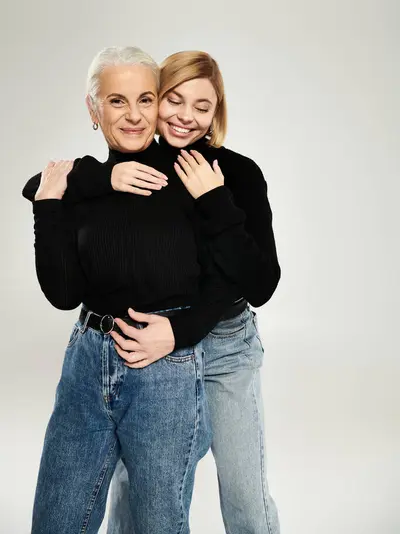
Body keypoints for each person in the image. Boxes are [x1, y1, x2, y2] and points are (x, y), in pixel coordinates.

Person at [55, 50, 282, 534]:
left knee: (242, 489)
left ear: (217, 111)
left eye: (202, 106)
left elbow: (257, 284)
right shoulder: (142, 162)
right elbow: (51, 184)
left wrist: (216, 201)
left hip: (221, 344)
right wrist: (103, 176)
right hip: (152, 344)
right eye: (173, 100)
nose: (184, 116)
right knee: (134, 487)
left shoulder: (239, 174)